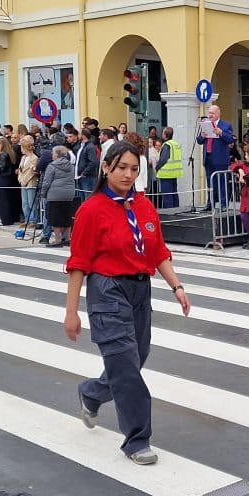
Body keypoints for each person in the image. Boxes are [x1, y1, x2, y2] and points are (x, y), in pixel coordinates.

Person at [63, 141, 191, 466]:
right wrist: (71, 312)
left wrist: (177, 286)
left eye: (134, 169)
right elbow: (78, 263)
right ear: (106, 168)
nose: (128, 174)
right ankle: (138, 439)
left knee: (135, 358)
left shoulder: (144, 207)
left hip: (139, 290)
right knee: (125, 365)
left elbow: (158, 251)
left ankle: (92, 393)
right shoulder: (91, 210)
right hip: (107, 291)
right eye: (121, 167)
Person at [197, 104, 234, 211]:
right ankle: (210, 203)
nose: (210, 115)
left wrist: (221, 133)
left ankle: (223, 204)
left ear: (218, 114)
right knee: (210, 182)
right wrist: (202, 136)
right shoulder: (206, 124)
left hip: (220, 159)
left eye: (212, 113)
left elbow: (230, 139)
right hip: (208, 158)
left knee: (222, 182)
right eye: (209, 113)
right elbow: (199, 141)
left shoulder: (225, 125)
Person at [40, 145, 76, 247]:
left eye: (53, 153)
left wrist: (43, 193)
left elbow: (47, 182)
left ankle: (58, 240)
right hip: (69, 194)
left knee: (55, 218)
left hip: (55, 194)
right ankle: (68, 238)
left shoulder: (52, 166)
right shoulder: (71, 166)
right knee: (67, 216)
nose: (52, 154)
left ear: (57, 154)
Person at [154, 126, 182, 208]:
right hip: (174, 173)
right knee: (174, 193)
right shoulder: (175, 144)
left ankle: (169, 213)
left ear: (165, 135)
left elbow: (163, 159)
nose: (162, 134)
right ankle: (176, 210)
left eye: (163, 133)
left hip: (166, 173)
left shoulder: (167, 145)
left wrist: (156, 168)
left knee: (167, 195)